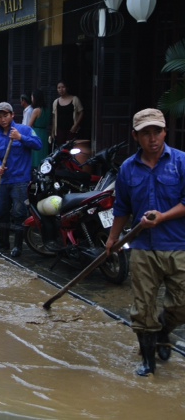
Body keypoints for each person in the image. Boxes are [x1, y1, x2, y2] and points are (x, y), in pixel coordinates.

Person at [106, 108, 185, 377]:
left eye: (157, 132)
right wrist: (113, 238)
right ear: (136, 136)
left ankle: (163, 332)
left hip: (177, 244)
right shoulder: (128, 169)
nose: (152, 138)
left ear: (165, 132)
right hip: (142, 247)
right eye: (145, 133)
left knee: (181, 304)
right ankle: (148, 362)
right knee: (143, 308)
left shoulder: (181, 162)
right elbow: (122, 207)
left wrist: (163, 217)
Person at [0, 102, 42, 258]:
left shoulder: (24, 130)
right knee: (2, 211)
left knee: (19, 214)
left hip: (20, 180)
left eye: (5, 115)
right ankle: (2, 243)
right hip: (4, 180)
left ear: (12, 115)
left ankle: (17, 246)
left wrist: (21, 138)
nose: (3, 119)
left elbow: (38, 144)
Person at [51, 80, 84, 147]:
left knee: (72, 149)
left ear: (67, 88)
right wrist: (53, 132)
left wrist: (76, 125)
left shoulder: (74, 99)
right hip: (60, 131)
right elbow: (54, 117)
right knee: (60, 150)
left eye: (63, 87)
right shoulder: (55, 102)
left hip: (71, 130)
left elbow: (81, 112)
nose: (61, 89)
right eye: (59, 88)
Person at [28, 89, 51, 169]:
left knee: (36, 156)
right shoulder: (47, 110)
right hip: (44, 133)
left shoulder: (36, 110)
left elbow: (29, 125)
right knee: (43, 153)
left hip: (36, 133)